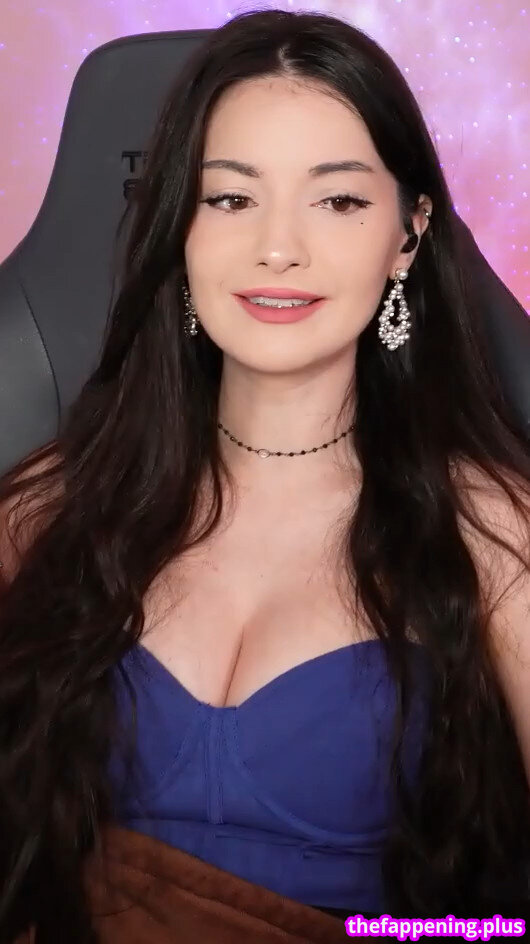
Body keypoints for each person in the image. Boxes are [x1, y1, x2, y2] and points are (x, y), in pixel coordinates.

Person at [0, 8, 529, 942]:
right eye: (231, 198)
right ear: (179, 226)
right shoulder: (46, 507)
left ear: (408, 235)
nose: (277, 248)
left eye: (339, 201)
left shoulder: (495, 533)